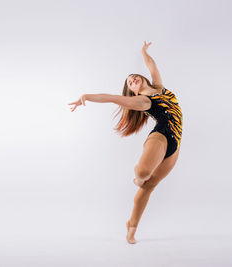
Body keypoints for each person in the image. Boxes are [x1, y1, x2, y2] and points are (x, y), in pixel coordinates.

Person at [68, 41, 183, 244]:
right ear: (134, 93)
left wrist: (144, 52)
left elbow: (152, 65)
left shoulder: (159, 87)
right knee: (142, 175)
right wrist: (86, 96)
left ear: (143, 79)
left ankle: (131, 226)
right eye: (130, 82)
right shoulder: (143, 101)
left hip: (176, 145)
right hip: (161, 136)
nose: (132, 79)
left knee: (149, 187)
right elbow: (113, 98)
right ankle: (137, 177)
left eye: (134, 77)